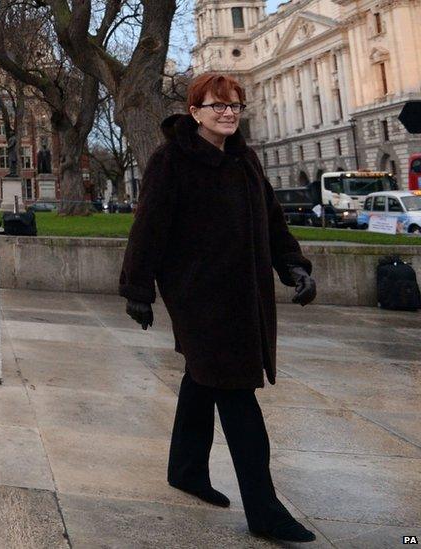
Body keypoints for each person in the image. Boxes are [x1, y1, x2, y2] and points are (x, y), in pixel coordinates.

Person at [118, 73, 318, 543]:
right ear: (195, 111)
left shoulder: (246, 160)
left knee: (202, 380)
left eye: (235, 106)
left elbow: (273, 223)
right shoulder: (171, 161)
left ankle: (186, 470)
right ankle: (266, 512)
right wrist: (137, 290)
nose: (228, 113)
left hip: (244, 295)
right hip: (199, 298)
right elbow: (148, 227)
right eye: (217, 106)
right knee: (235, 393)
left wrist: (293, 267)